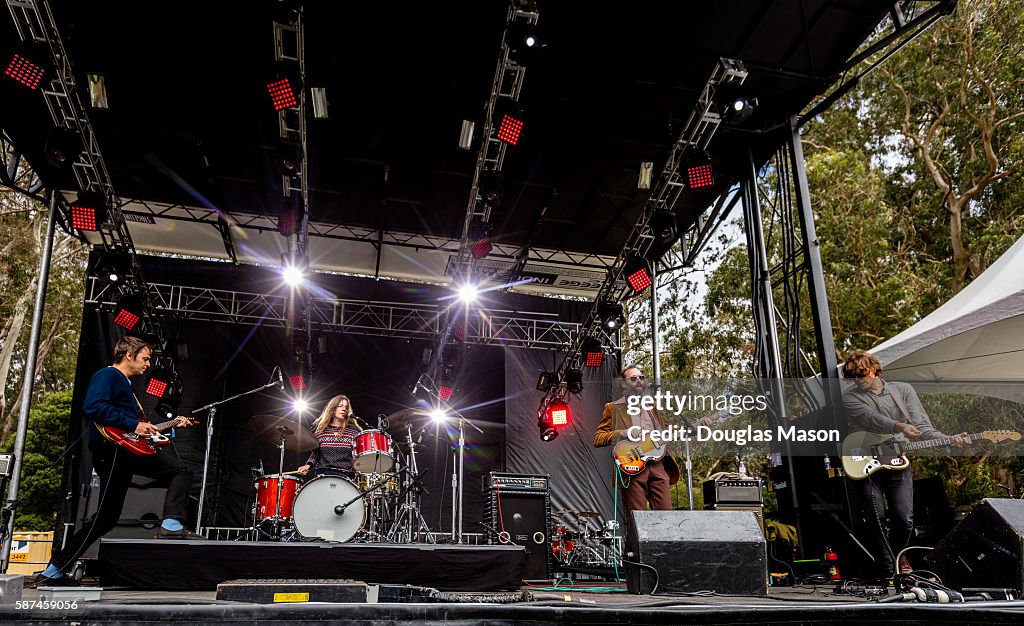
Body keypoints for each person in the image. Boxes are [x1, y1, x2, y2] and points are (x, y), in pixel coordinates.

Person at [35, 336, 198, 586]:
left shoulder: (125, 385)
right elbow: (93, 406)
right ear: (129, 355)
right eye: (145, 358)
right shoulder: (108, 376)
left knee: (106, 519)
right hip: (113, 449)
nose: (148, 364)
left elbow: (138, 431)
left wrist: (171, 424)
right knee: (181, 471)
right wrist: (134, 424)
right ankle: (171, 524)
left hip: (125, 449)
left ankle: (54, 570)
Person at [841, 349, 969, 578]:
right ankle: (889, 570)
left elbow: (922, 427)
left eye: (862, 375)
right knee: (876, 515)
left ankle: (897, 556)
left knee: (904, 518)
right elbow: (870, 418)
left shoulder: (902, 390)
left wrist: (949, 439)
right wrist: (899, 426)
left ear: (874, 369)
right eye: (853, 377)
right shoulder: (850, 397)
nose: (858, 381)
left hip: (899, 459)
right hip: (864, 458)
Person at [593, 365, 680, 517]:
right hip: (633, 467)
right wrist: (623, 433)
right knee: (637, 520)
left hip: (658, 465)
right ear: (623, 384)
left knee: (667, 518)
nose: (639, 381)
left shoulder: (653, 406)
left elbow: (667, 432)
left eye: (641, 377)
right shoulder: (613, 408)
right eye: (633, 378)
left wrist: (694, 428)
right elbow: (598, 438)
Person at [296, 394, 360, 478]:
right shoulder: (321, 431)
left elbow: (360, 455)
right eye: (340, 406)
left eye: (346, 407)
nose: (344, 409)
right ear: (332, 409)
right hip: (324, 474)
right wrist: (308, 465)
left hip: (347, 476)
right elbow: (316, 454)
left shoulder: (354, 431)